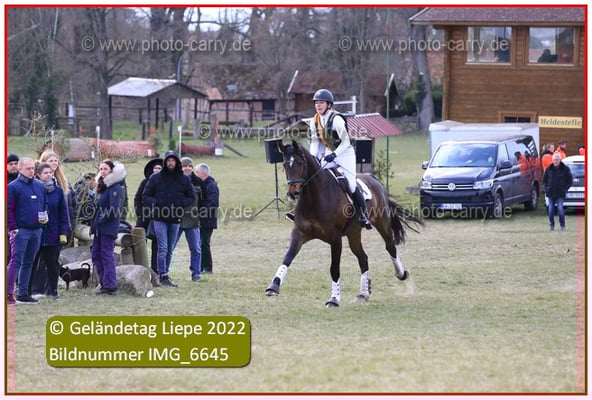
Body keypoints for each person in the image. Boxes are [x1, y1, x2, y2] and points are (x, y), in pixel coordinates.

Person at [308, 88, 372, 229]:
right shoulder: (314, 121)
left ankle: (364, 215)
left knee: (351, 185)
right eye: (316, 103)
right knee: (313, 176)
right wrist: (313, 158)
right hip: (330, 154)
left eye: (321, 103)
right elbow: (315, 142)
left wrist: (334, 154)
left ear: (329, 104)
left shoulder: (336, 119)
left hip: (345, 154)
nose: (318, 105)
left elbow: (346, 142)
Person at [142, 151, 195, 287]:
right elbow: (146, 196)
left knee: (170, 248)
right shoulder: (155, 178)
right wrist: (157, 203)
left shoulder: (184, 179)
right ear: (165, 162)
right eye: (168, 160)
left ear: (177, 162)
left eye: (173, 160)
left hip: (176, 217)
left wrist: (181, 204)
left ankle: (165, 273)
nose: (171, 163)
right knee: (163, 247)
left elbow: (191, 197)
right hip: (159, 217)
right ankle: (162, 275)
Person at [8, 157, 48, 304]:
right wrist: (13, 228)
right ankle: (8, 293)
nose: (31, 171)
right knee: (16, 261)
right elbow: (8, 209)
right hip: (20, 231)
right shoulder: (13, 187)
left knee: (29, 262)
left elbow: (44, 204)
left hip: (36, 230)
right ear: (20, 169)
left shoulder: (39, 186)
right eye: (28, 169)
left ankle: (23, 293)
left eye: (33, 168)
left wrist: (45, 217)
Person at [29, 163, 69, 300]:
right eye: (45, 173)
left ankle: (53, 290)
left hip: (53, 233)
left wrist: (63, 232)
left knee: (52, 263)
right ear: (38, 175)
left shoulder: (58, 191)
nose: (49, 175)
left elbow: (63, 213)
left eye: (50, 173)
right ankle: (29, 290)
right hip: (36, 232)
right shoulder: (33, 189)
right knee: (33, 262)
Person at [90, 160, 127, 295]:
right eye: (100, 169)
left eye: (105, 169)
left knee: (106, 255)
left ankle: (110, 284)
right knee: (96, 255)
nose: (102, 171)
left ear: (112, 170)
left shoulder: (115, 187)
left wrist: (101, 219)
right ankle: (104, 283)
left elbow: (114, 209)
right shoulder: (104, 186)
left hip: (108, 227)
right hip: (99, 227)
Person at [38, 150, 77, 245]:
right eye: (51, 161)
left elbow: (72, 203)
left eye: (56, 160)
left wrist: (72, 222)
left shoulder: (63, 181)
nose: (54, 163)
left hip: (64, 225)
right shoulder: (38, 183)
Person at [133, 158, 162, 274]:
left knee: (157, 245)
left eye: (160, 168)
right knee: (139, 241)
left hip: (159, 217)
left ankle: (156, 270)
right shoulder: (145, 182)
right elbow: (137, 198)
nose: (157, 170)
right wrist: (140, 213)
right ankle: (139, 268)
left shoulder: (165, 184)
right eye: (155, 168)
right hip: (144, 217)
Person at [177, 157, 204, 281]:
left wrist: (201, 215)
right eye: (184, 166)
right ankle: (164, 273)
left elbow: (203, 202)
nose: (187, 168)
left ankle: (196, 273)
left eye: (189, 166)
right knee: (169, 248)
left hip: (193, 221)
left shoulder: (198, 182)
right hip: (176, 220)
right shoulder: (174, 180)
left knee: (196, 249)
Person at [195, 163, 219, 274]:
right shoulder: (202, 185)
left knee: (204, 243)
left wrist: (200, 213)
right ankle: (201, 267)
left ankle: (207, 268)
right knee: (200, 243)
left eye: (197, 172)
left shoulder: (211, 185)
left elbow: (213, 203)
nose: (195, 174)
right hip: (201, 219)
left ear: (202, 173)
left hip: (208, 220)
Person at [543, 153, 573, 231]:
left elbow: (569, 181)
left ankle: (562, 226)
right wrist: (546, 189)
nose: (555, 161)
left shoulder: (565, 169)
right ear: (552, 160)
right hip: (550, 194)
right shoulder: (548, 169)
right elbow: (544, 181)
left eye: (557, 160)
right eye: (554, 160)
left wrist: (565, 189)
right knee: (550, 210)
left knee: (560, 210)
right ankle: (551, 225)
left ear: (560, 160)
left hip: (560, 194)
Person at [6, 153, 20, 304]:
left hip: (16, 225)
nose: (14, 166)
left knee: (13, 257)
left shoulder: (21, 181)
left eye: (16, 163)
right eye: (11, 164)